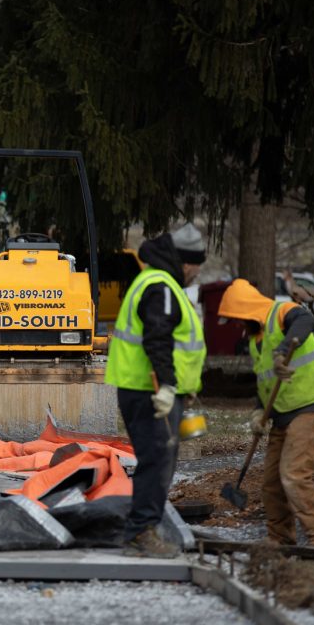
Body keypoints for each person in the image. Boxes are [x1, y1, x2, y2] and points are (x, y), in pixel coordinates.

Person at [104, 223, 207, 558]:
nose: (195, 273)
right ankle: (141, 532)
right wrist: (167, 385)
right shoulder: (161, 286)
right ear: (185, 262)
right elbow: (158, 338)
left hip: (146, 387)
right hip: (147, 389)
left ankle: (143, 528)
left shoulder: (157, 282)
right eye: (196, 265)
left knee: (158, 458)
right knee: (157, 459)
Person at [218, 279, 314, 547]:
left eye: (237, 319)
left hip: (311, 406)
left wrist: (284, 349)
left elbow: (306, 321)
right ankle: (280, 539)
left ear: (246, 310)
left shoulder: (282, 312)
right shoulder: (255, 341)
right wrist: (259, 412)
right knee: (272, 484)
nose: (238, 325)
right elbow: (266, 383)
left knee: (294, 475)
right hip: (283, 415)